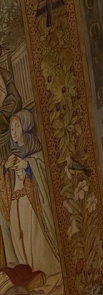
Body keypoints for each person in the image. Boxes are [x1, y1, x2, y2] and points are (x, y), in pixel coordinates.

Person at [1, 111, 57, 278]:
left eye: (17, 126)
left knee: (34, 237)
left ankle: (44, 271)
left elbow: (44, 169)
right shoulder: (10, 154)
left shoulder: (34, 146)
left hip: (31, 203)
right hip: (16, 204)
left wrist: (27, 165)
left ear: (25, 126)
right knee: (20, 238)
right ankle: (28, 275)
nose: (14, 132)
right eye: (11, 128)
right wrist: (5, 168)